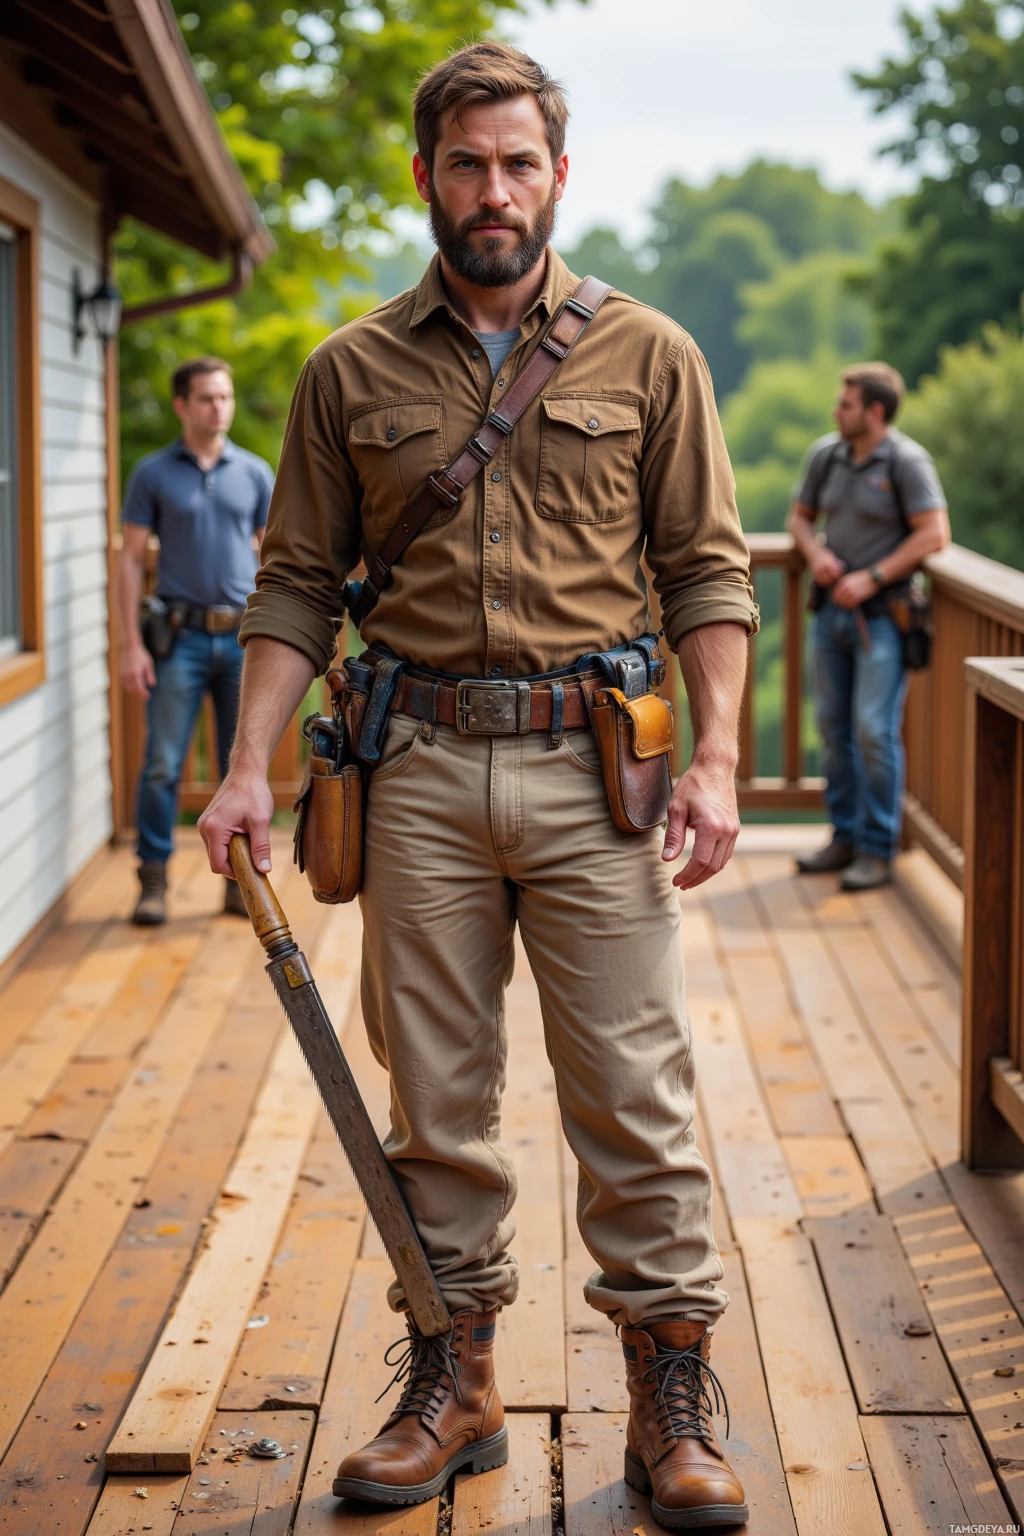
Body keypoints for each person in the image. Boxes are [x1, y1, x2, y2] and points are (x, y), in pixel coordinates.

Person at [198, 43, 758, 1531]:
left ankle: (671, 1393)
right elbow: (296, 585)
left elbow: (709, 567)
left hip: (598, 772)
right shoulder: (348, 368)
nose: (493, 188)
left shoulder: (650, 356)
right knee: (437, 1102)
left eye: (519, 162)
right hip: (420, 770)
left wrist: (713, 756)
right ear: (426, 177)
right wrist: (249, 767)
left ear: (557, 177)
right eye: (467, 162)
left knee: (634, 1095)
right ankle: (458, 1378)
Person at [118, 357, 274, 925]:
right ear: (182, 405)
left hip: (242, 639)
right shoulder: (153, 474)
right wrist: (129, 644)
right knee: (162, 764)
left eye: (225, 397)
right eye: (207, 398)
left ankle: (240, 885)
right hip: (177, 641)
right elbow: (131, 561)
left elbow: (272, 556)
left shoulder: (256, 473)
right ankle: (152, 879)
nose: (219, 408)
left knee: (243, 767)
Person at [789, 363, 950, 891]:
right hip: (831, 612)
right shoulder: (827, 454)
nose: (837, 410)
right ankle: (844, 838)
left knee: (873, 733)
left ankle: (878, 850)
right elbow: (800, 518)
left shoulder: (906, 461)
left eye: (847, 403)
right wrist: (817, 554)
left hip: (884, 619)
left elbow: (934, 534)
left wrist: (872, 577)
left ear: (875, 412)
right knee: (835, 731)